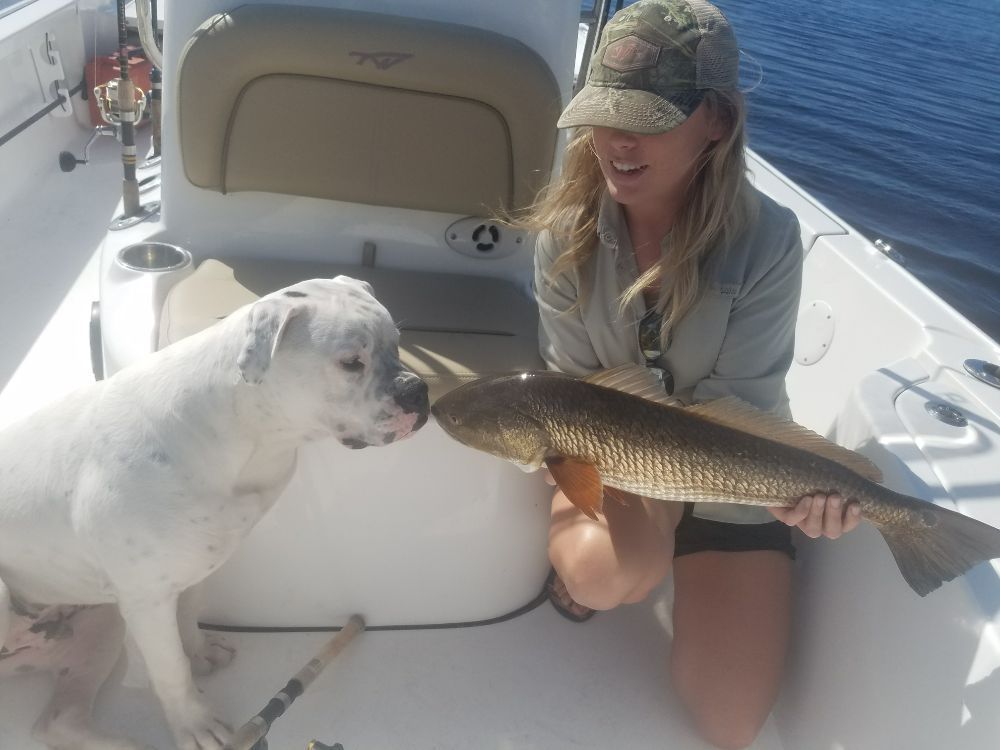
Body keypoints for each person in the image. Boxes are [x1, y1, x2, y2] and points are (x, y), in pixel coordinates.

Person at [524, 1, 862, 748]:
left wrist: (802, 493)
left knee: (731, 721)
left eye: (646, 119)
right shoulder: (564, 235)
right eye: (605, 113)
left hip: (730, 469)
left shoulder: (769, 240)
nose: (615, 141)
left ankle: (687, 547)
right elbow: (572, 399)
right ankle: (647, 549)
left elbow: (738, 406)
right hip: (613, 457)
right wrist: (641, 495)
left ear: (716, 119)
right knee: (603, 574)